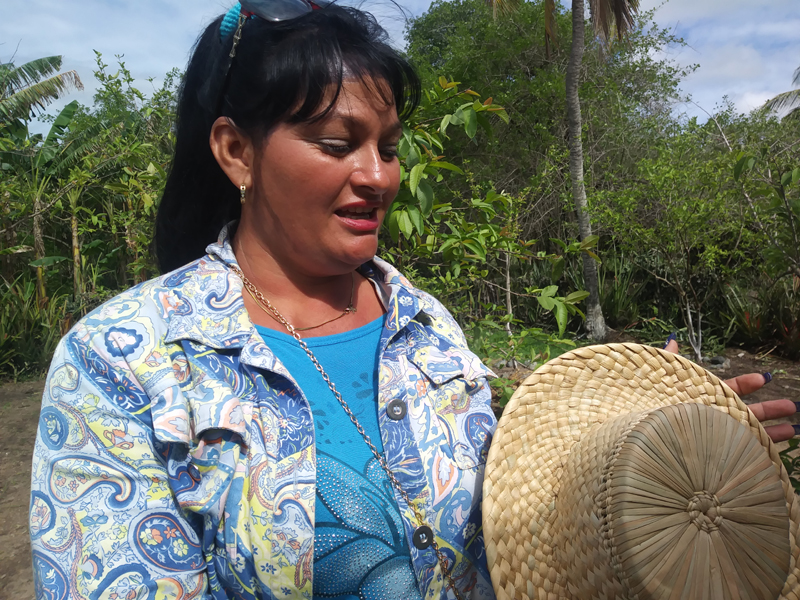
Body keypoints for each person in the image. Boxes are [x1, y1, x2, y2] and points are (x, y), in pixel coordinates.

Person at [28, 2, 797, 599]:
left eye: (389, 147)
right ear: (236, 150)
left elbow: (506, 512)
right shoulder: (127, 359)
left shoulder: (424, 325)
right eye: (338, 144)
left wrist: (640, 449)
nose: (379, 176)